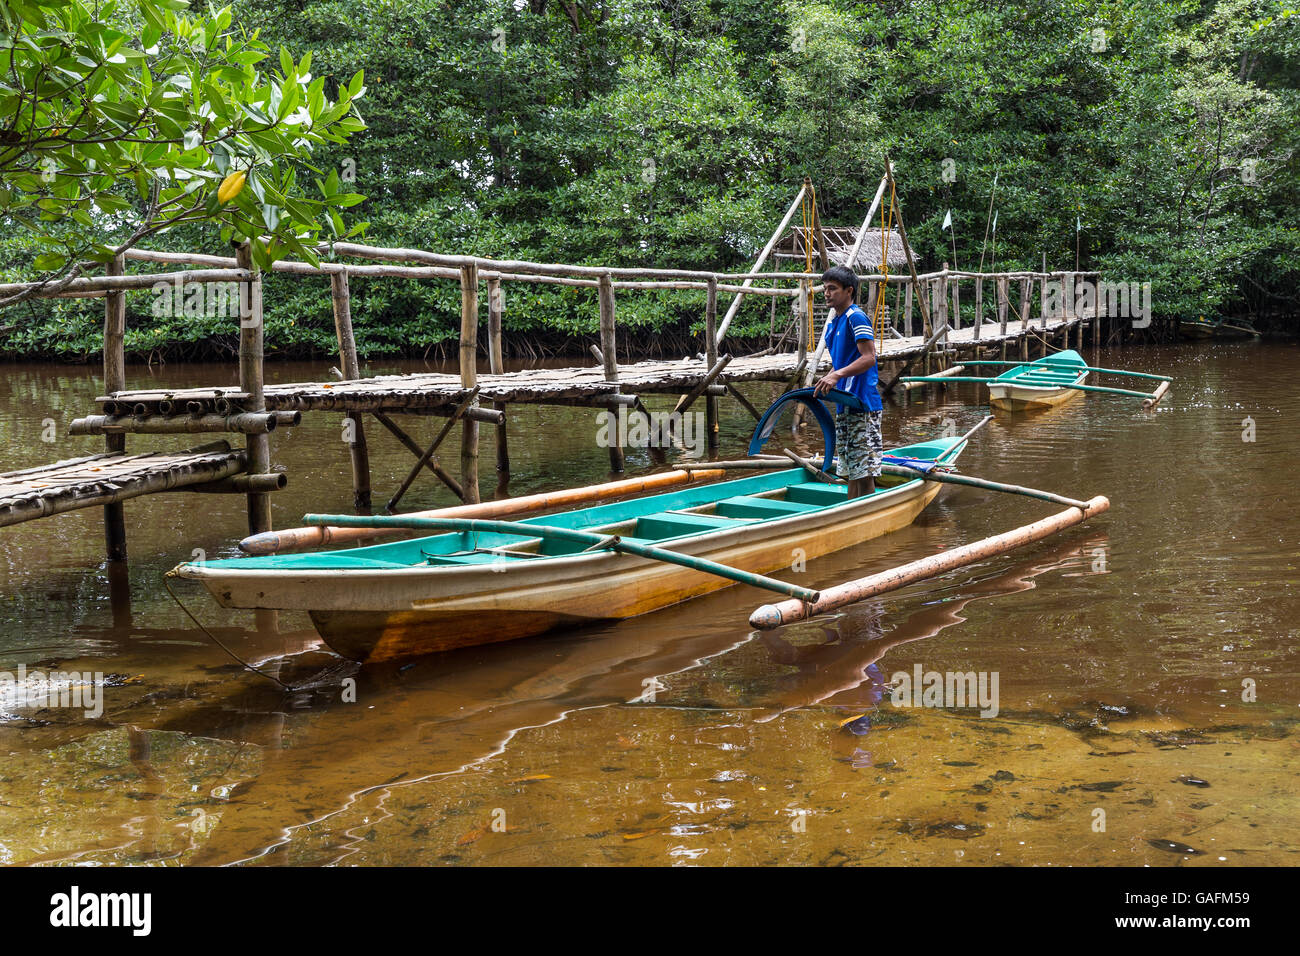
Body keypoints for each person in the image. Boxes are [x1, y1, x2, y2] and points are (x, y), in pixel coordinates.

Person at [812, 264, 883, 498]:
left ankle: (865, 512)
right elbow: (841, 362)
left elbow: (869, 357)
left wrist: (837, 375)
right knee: (852, 468)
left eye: (833, 288)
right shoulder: (834, 323)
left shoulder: (856, 317)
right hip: (845, 402)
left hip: (862, 403)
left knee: (864, 468)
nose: (827, 293)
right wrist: (830, 376)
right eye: (825, 288)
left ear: (849, 290)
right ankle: (852, 507)